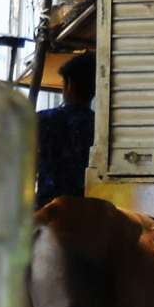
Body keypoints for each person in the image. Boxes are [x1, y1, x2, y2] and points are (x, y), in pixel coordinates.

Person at [34, 51, 96, 208]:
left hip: (48, 210)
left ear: (70, 85)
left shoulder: (43, 120)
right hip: (87, 211)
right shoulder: (99, 127)